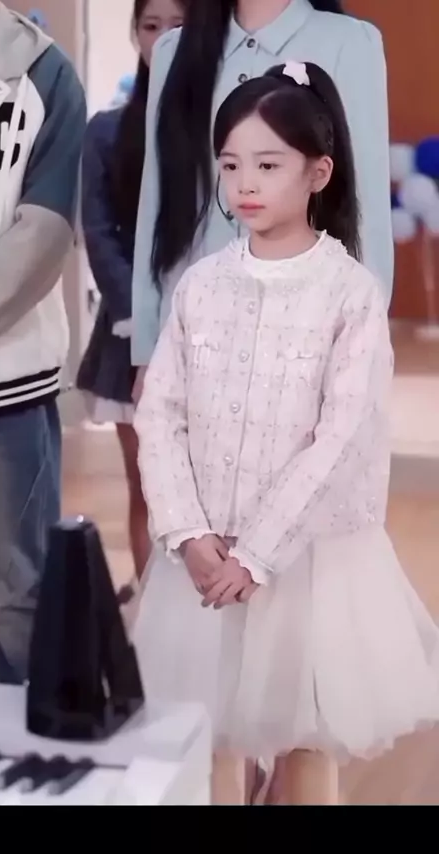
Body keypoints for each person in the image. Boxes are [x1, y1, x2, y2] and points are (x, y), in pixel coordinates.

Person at [132, 62, 439, 806]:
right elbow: (160, 413)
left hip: (309, 564)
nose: (246, 183)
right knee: (204, 737)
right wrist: (188, 533)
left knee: (307, 738)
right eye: (231, 164)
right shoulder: (201, 286)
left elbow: (341, 436)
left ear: (317, 173)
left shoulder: (349, 294)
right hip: (203, 559)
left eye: (268, 165)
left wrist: (259, 552)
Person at [130, 0, 393, 392]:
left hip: (307, 333)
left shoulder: (351, 42)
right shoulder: (174, 51)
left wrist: (364, 349)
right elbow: (158, 203)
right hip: (192, 332)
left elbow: (365, 206)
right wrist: (147, 351)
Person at [0, 0, 86, 684]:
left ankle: (21, 739)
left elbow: (44, 230)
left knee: (22, 590)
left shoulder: (45, 71)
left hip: (5, 375)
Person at [77, 0, 187, 582]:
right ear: (134, 33)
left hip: (216, 335)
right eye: (151, 25)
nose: (163, 38)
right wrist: (144, 322)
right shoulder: (107, 131)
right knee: (148, 486)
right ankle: (149, 608)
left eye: (179, 25)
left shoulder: (229, 123)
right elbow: (97, 234)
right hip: (129, 336)